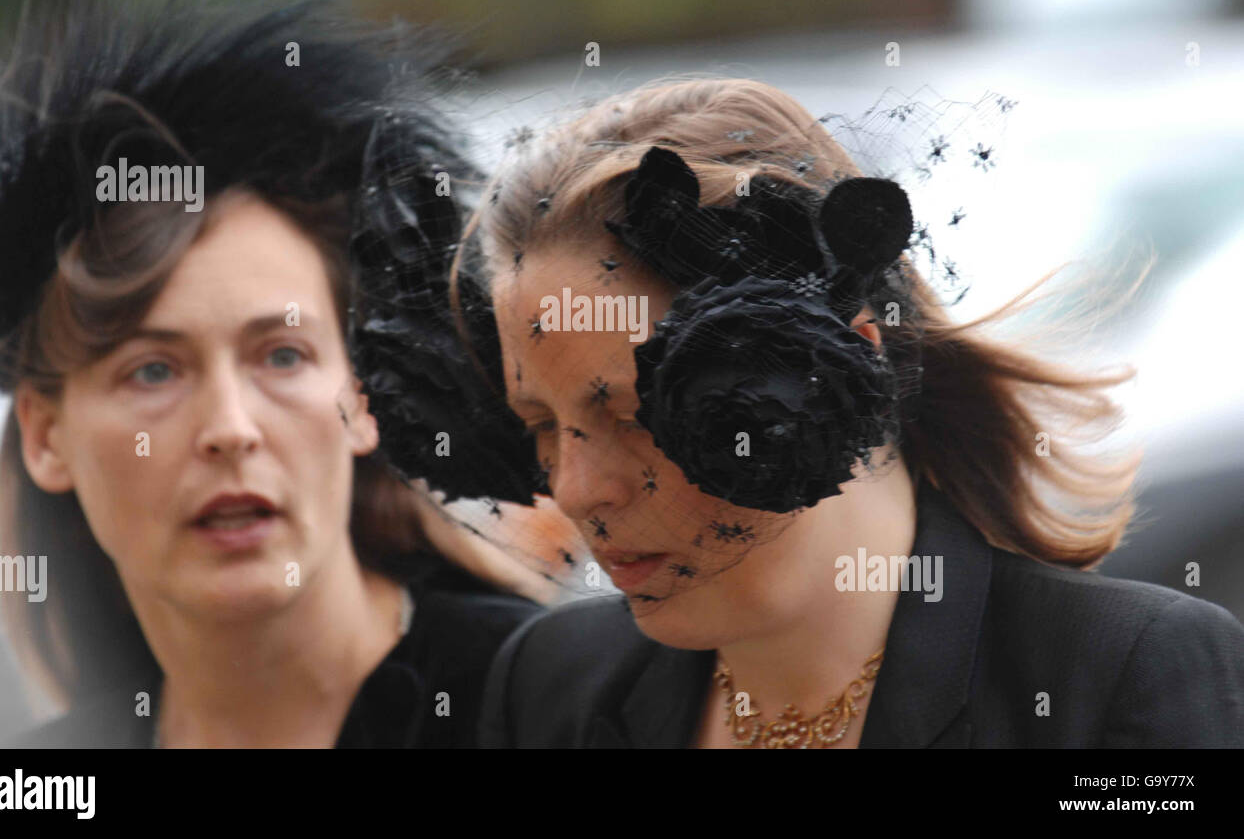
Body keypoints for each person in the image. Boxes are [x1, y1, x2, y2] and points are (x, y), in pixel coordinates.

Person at [470, 77, 1244, 748]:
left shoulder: (1117, 678)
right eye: (541, 421)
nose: (575, 489)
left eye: (637, 414)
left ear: (841, 364)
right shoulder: (549, 687)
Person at [0, 0, 543, 748]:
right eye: (152, 370)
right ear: (44, 434)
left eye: (283, 355)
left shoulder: (554, 705)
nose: (230, 428)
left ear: (366, 393)